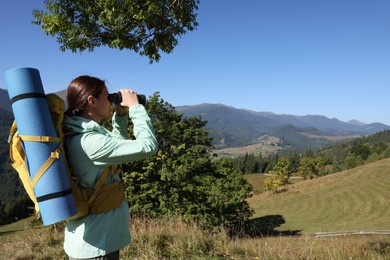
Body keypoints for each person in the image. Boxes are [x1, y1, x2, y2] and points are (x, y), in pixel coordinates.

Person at [62, 75, 158, 259]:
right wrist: (136, 108)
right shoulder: (89, 142)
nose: (110, 101)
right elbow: (148, 146)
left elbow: (115, 151)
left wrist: (120, 115)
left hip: (94, 239)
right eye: (107, 97)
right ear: (92, 101)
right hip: (97, 246)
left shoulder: (79, 131)